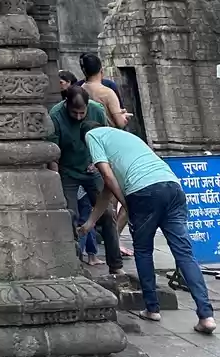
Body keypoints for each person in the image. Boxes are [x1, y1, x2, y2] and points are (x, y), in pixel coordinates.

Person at [80, 121, 216, 334]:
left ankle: (152, 308)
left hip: (144, 193)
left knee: (143, 251)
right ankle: (206, 316)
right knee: (185, 254)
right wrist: (89, 224)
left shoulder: (92, 136)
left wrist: (127, 204)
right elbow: (107, 190)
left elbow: (107, 175)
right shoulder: (126, 139)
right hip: (173, 187)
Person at [49, 86, 123, 276]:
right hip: (68, 170)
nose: (79, 117)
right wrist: (56, 178)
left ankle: (116, 264)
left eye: (83, 113)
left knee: (107, 214)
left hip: (93, 168)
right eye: (75, 113)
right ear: (66, 105)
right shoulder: (56, 116)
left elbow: (107, 139)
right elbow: (53, 153)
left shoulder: (97, 110)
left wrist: (99, 162)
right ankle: (75, 263)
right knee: (69, 214)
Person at [79, 52, 128, 128]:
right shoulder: (107, 93)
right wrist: (124, 116)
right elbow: (120, 123)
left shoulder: (80, 90)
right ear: (101, 71)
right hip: (108, 135)